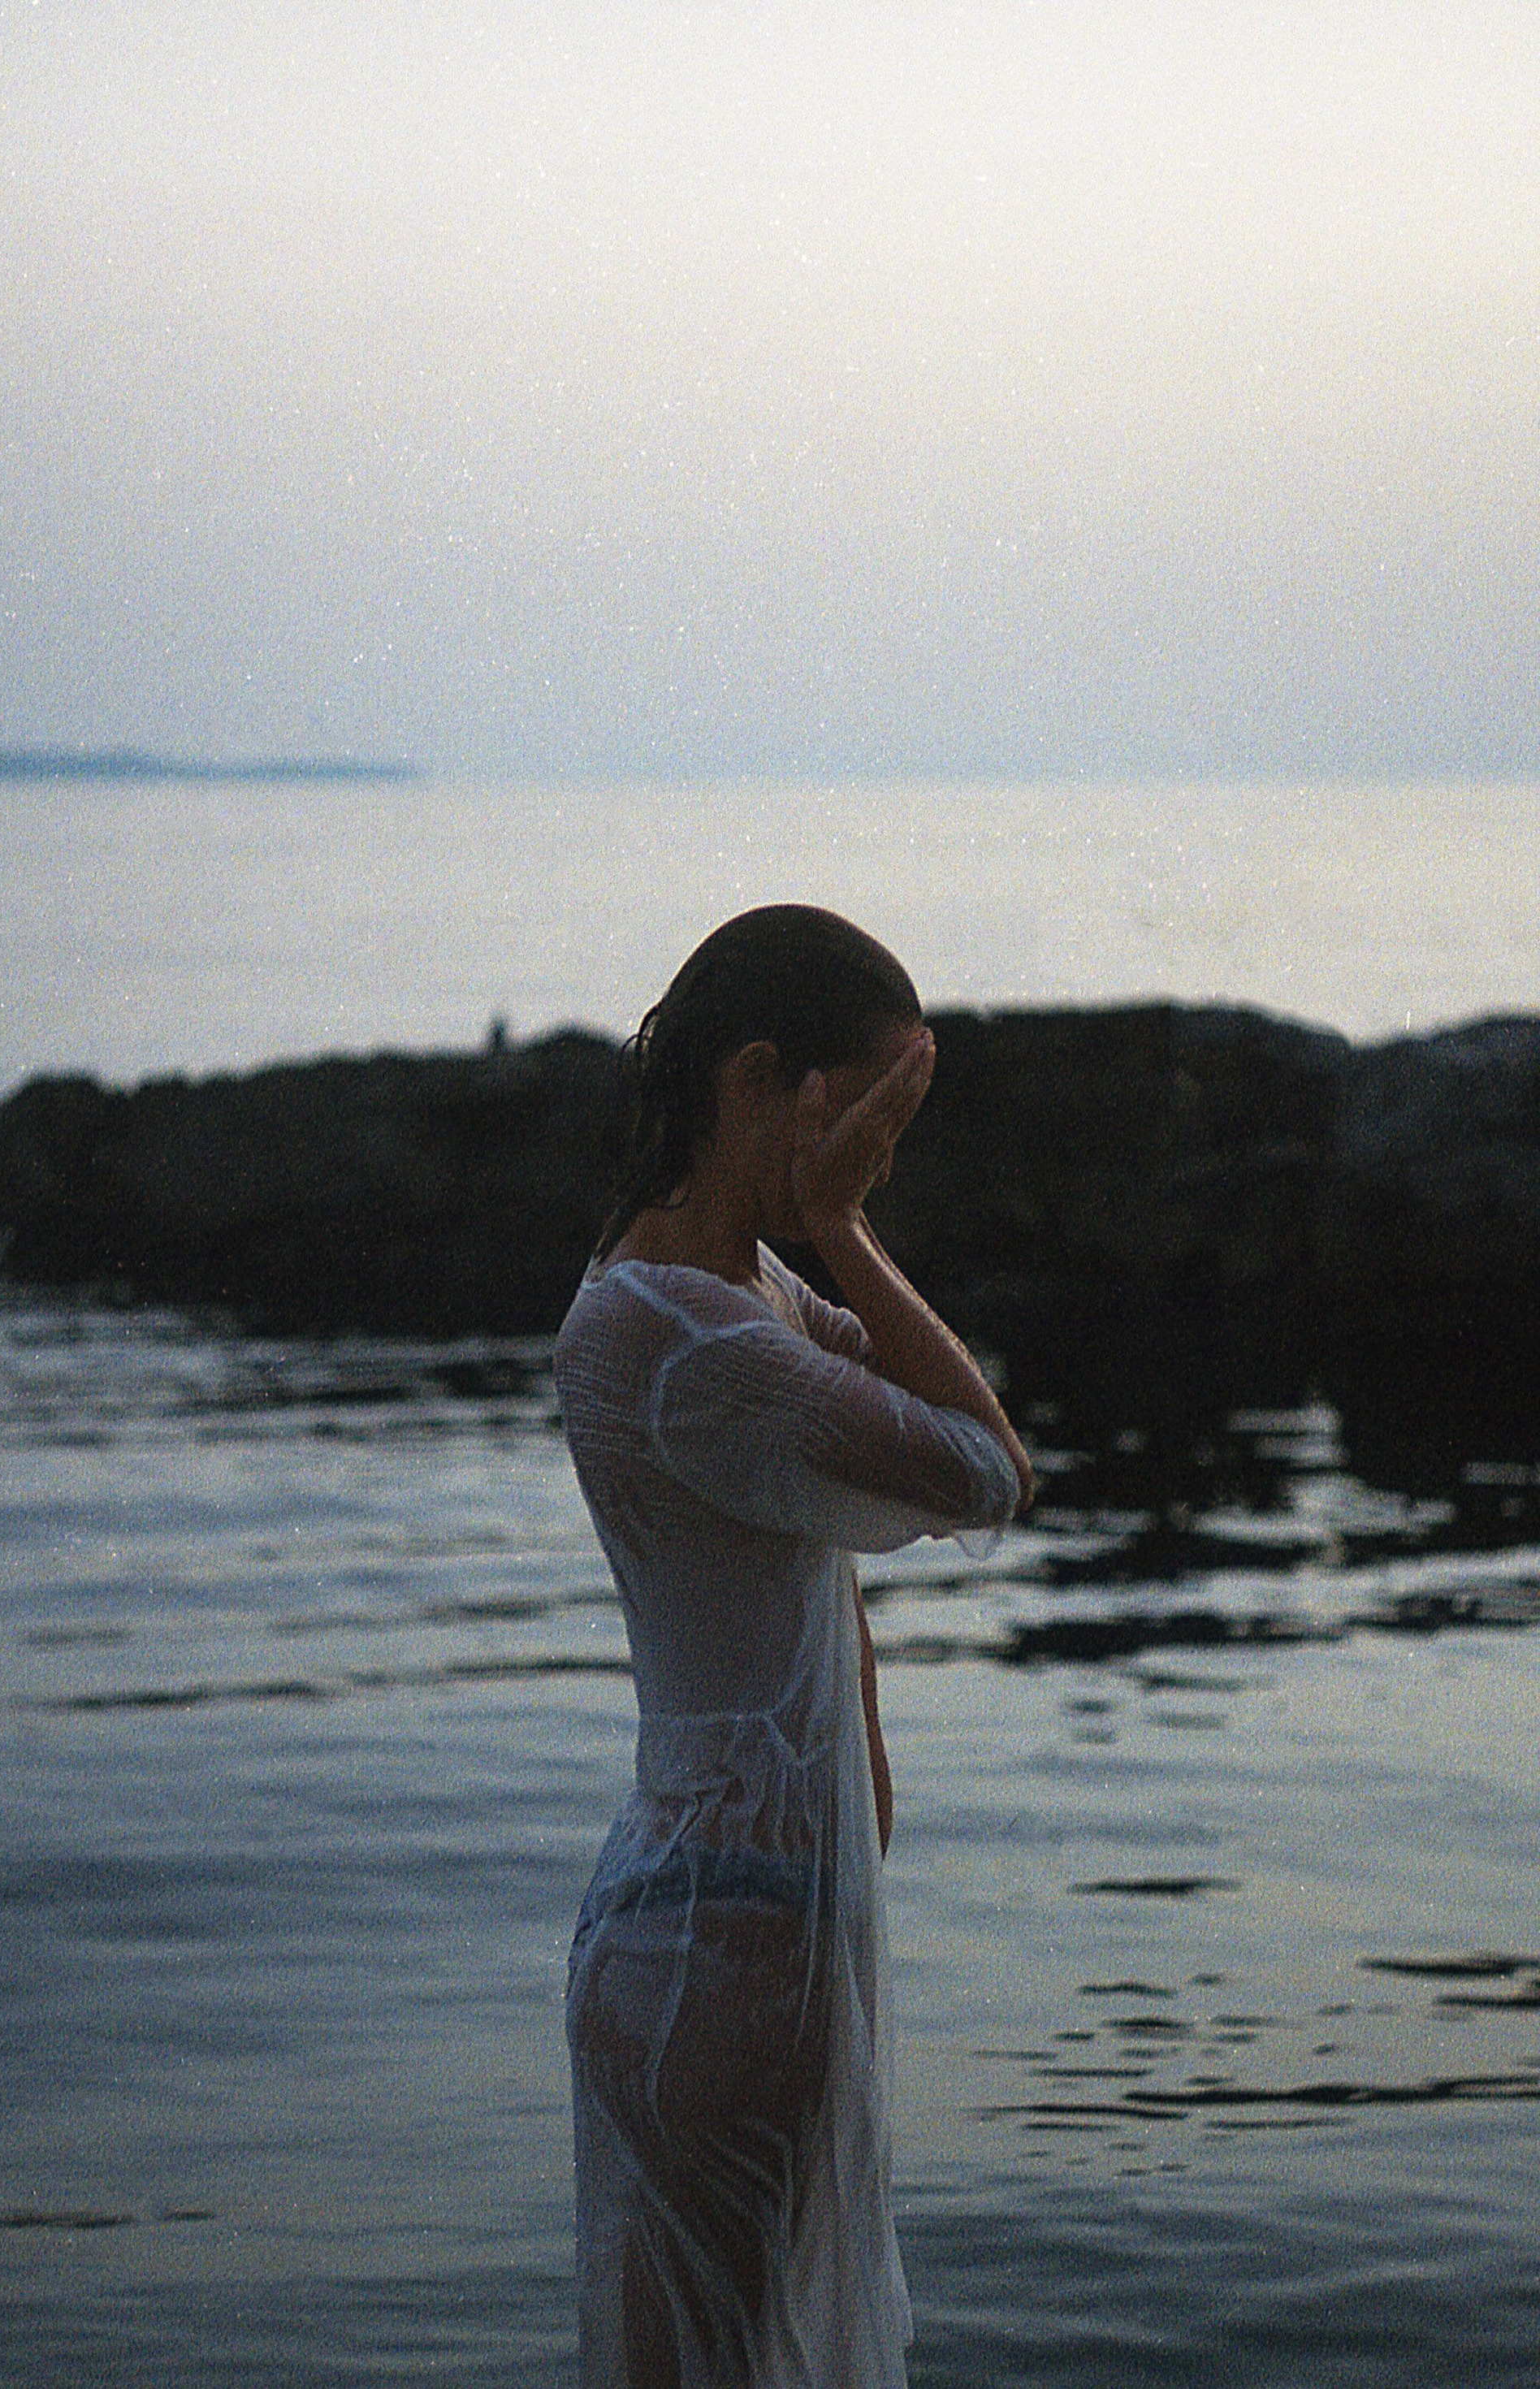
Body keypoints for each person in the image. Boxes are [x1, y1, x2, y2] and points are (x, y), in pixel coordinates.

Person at [553, 906, 1033, 2387]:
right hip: (730, 1942)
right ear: (757, 1079)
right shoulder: (694, 1339)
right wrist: (843, 1224)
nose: (876, 1166)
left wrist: (826, 1233)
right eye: (863, 1123)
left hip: (716, 1924)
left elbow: (917, 1409)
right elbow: (984, 1473)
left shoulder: (724, 1298)